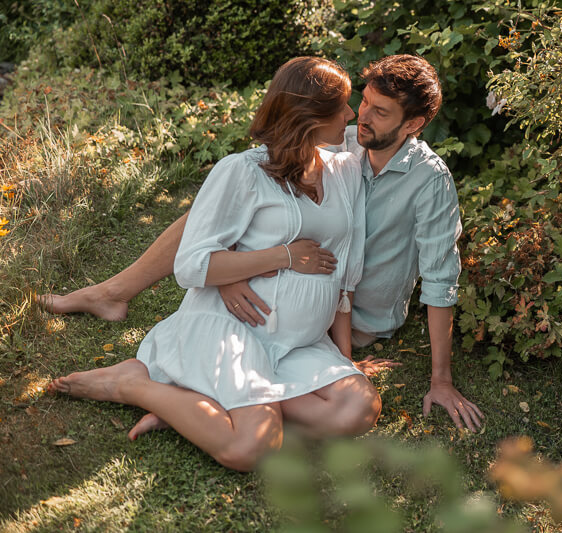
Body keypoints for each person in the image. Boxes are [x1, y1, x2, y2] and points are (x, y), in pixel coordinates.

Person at [41, 54, 485, 432]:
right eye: (362, 103)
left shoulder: (429, 180)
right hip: (278, 299)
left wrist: (440, 379)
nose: (361, 117)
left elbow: (441, 278)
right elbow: (258, 194)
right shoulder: (344, 140)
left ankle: (198, 407)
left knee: (344, 404)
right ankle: (115, 294)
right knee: (203, 214)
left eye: (379, 112)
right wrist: (232, 268)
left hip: (353, 314)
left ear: (416, 123)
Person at [48, 57, 381, 472]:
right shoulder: (242, 171)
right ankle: (132, 385)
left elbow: (344, 263)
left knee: (358, 409)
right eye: (342, 107)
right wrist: (285, 256)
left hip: (297, 345)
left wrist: (343, 355)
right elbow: (192, 264)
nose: (351, 116)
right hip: (233, 329)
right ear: (308, 116)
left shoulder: (343, 167)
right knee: (251, 449)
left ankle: (196, 404)